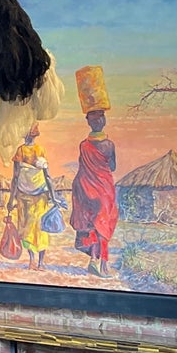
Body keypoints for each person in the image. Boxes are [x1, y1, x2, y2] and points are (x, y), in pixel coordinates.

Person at [70, 108, 118, 277]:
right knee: (103, 225)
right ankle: (103, 265)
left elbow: (82, 166)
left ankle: (93, 259)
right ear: (103, 122)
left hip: (85, 188)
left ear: (89, 123)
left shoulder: (83, 145)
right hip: (104, 190)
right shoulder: (109, 145)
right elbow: (113, 167)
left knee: (92, 224)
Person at [6, 122, 55, 270]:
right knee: (38, 227)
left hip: (26, 195)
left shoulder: (21, 151)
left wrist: (11, 199)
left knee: (28, 227)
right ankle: (38, 262)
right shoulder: (38, 150)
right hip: (37, 194)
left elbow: (16, 177)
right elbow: (47, 176)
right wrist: (53, 195)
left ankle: (34, 260)